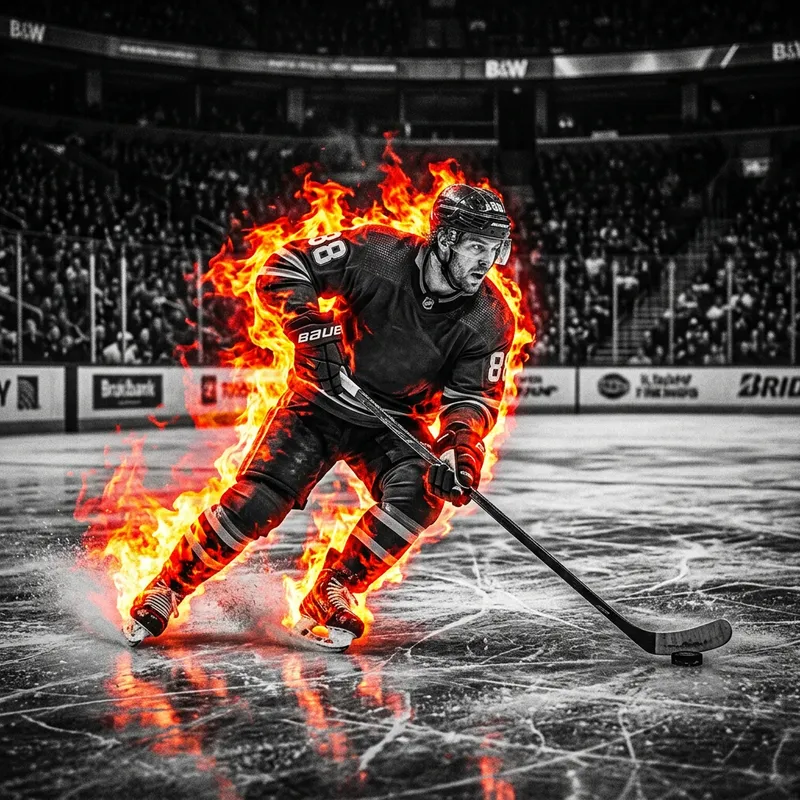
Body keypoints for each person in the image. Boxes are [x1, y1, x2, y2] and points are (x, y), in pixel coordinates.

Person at [123, 184, 516, 650]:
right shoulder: (378, 254)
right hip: (319, 401)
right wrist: (308, 325)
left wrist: (459, 446)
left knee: (422, 492)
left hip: (392, 423)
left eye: (494, 250)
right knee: (256, 503)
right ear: (446, 240)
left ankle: (334, 589)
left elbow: (474, 397)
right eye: (477, 248)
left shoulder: (490, 318)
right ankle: (168, 586)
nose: (486, 262)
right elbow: (282, 266)